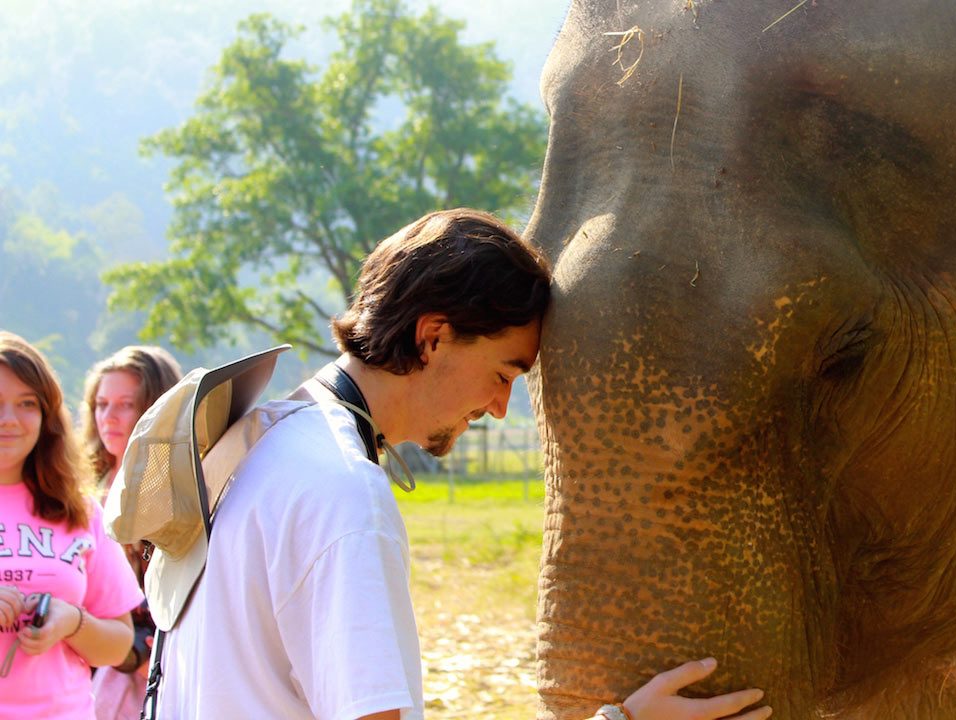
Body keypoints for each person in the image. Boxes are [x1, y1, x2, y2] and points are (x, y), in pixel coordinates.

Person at [156, 208, 771, 720]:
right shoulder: (342, 491)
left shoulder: (259, 445)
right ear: (433, 337)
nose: (501, 408)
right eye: (504, 372)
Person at [0, 332, 143, 719]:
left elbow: (119, 646)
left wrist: (72, 622)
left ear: (47, 415)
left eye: (26, 404)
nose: (9, 420)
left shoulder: (80, 511)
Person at [81, 346, 182, 720]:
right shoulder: (78, 483)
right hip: (76, 660)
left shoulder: (179, 491)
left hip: (154, 674)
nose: (109, 417)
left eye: (125, 404)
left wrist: (147, 654)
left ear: (156, 408)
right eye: (102, 404)